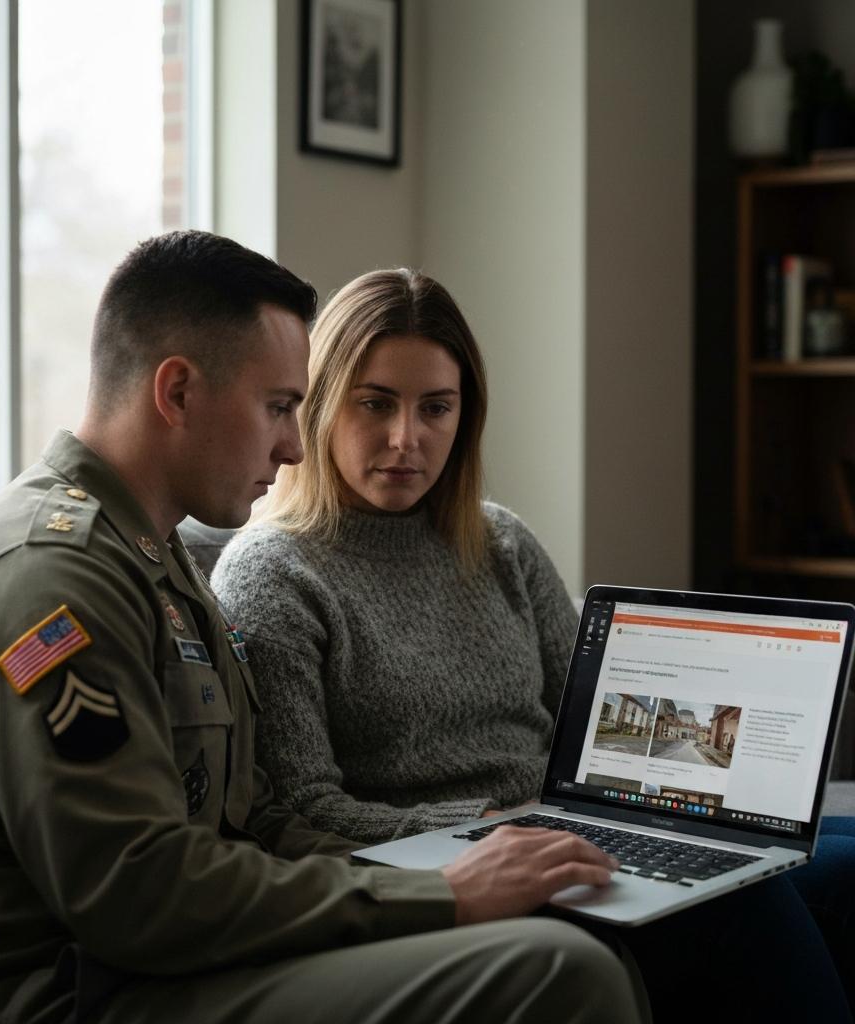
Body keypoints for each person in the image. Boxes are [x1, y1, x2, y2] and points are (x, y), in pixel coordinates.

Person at [0, 233, 645, 1024]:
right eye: (279, 407)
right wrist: (439, 893)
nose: (295, 445)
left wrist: (481, 867)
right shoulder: (46, 581)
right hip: (59, 993)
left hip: (148, 964)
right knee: (559, 972)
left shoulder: (153, 561)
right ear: (177, 392)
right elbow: (139, 895)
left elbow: (256, 821)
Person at [211, 267, 855, 1023]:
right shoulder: (272, 573)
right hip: (461, 865)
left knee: (830, 860)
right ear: (320, 405)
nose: (406, 438)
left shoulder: (499, 541)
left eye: (436, 408)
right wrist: (497, 823)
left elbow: (592, 715)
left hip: (560, 825)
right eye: (375, 403)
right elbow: (300, 809)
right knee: (749, 904)